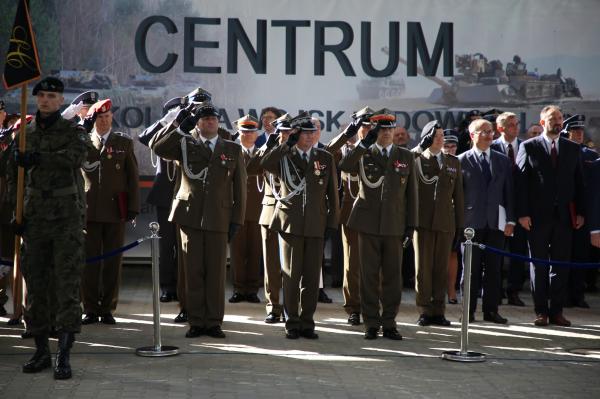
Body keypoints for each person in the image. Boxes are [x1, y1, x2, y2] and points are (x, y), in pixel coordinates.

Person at [4, 77, 92, 379]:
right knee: (36, 287)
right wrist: (16, 212)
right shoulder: (24, 133)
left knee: (66, 285)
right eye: (41, 95)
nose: (44, 100)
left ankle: (64, 355)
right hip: (34, 218)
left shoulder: (73, 131)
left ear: (60, 100)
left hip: (66, 218)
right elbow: (13, 176)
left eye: (51, 96)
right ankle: (41, 351)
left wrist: (38, 159)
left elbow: (76, 158)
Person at [150, 102, 246, 338]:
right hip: (190, 216)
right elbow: (158, 148)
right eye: (203, 119)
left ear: (218, 122)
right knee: (192, 271)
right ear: (198, 124)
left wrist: (237, 220)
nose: (209, 122)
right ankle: (195, 320)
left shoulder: (232, 149)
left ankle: (213, 322)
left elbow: (240, 189)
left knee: (215, 273)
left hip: (219, 217)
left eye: (213, 118)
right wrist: (180, 128)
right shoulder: (185, 143)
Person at [339, 109, 418, 340]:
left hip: (394, 225)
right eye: (382, 129)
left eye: (389, 129)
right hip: (368, 224)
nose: (386, 133)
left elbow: (411, 196)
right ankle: (371, 322)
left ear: (395, 131)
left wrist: (411, 226)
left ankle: (390, 322)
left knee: (393, 277)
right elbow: (344, 166)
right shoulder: (364, 152)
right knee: (369, 276)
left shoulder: (405, 156)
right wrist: (364, 142)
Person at [260, 113, 340, 339]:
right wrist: (286, 143)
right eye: (303, 133)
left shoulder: (324, 158)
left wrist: (332, 223)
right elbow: (264, 163)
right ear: (296, 134)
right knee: (291, 276)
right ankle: (291, 321)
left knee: (312, 277)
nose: (308, 136)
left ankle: (307, 321)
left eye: (311, 132)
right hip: (290, 224)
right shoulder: (285, 156)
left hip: (316, 224)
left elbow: (332, 194)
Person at [516, 105, 585, 327]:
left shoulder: (572, 148)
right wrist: (523, 213)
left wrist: (581, 213)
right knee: (539, 265)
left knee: (560, 265)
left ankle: (557, 311)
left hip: (564, 217)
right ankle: (540, 312)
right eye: (553, 118)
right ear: (542, 121)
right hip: (537, 217)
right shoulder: (529, 146)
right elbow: (521, 183)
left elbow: (579, 184)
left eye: (560, 118)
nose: (557, 121)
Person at [80, 99, 140, 326]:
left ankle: (107, 308)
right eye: (99, 118)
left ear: (112, 118)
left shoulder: (123, 142)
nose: (103, 121)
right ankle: (90, 308)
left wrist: (133, 208)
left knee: (113, 262)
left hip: (115, 211)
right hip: (89, 211)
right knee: (89, 262)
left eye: (107, 117)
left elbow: (132, 178)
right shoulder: (84, 142)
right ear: (93, 120)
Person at [458, 118, 514, 324]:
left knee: (494, 270)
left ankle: (491, 311)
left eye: (491, 132)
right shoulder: (460, 160)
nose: (489, 135)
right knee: (470, 271)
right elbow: (457, 196)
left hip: (496, 223)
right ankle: (468, 311)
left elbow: (509, 193)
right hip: (471, 224)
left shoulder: (502, 160)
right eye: (484, 132)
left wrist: (511, 220)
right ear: (472, 136)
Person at [138, 96, 189, 310]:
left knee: (185, 246)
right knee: (166, 246)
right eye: (174, 112)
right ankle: (167, 287)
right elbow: (144, 138)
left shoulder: (190, 128)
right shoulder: (164, 131)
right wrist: (168, 121)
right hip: (166, 196)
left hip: (187, 197)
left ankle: (184, 286)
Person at [412, 121, 464, 326]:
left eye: (442, 136)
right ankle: (424, 310)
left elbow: (458, 196)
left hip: (445, 223)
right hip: (423, 223)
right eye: (437, 136)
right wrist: (420, 147)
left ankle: (438, 310)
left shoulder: (452, 162)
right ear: (427, 139)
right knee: (423, 269)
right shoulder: (417, 158)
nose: (441, 139)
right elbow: (407, 160)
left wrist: (460, 225)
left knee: (441, 269)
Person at [339, 106, 374, 325]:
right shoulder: (346, 149)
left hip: (375, 213)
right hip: (351, 211)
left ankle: (372, 305)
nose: (368, 128)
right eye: (364, 125)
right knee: (352, 263)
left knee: (374, 263)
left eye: (371, 125)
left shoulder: (380, 149)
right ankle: (353, 307)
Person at [491, 112, 527, 307]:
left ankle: (514, 291)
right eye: (511, 125)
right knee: (494, 253)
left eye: (517, 124)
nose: (515, 127)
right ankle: (494, 292)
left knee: (518, 253)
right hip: (497, 209)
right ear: (501, 128)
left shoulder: (526, 147)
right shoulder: (492, 147)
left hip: (520, 211)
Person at [561, 114, 598, 308]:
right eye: (575, 131)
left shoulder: (591, 156)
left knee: (581, 256)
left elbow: (591, 190)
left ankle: (578, 294)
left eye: (581, 131)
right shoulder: (561, 153)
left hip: (584, 213)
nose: (578, 134)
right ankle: (563, 295)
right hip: (565, 212)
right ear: (566, 133)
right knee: (563, 256)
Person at [228, 115, 263, 304]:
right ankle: (238, 288)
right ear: (238, 133)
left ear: (257, 134)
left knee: (255, 251)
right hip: (236, 209)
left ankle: (252, 289)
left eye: (252, 131)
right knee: (237, 252)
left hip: (258, 209)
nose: (249, 134)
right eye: (245, 131)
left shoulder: (263, 153)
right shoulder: (232, 152)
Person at [441, 129, 461, 305]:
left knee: (453, 253)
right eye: (446, 145)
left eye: (453, 146)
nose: (449, 149)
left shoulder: (459, 163)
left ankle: (451, 291)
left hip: (454, 215)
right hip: (436, 214)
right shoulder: (434, 162)